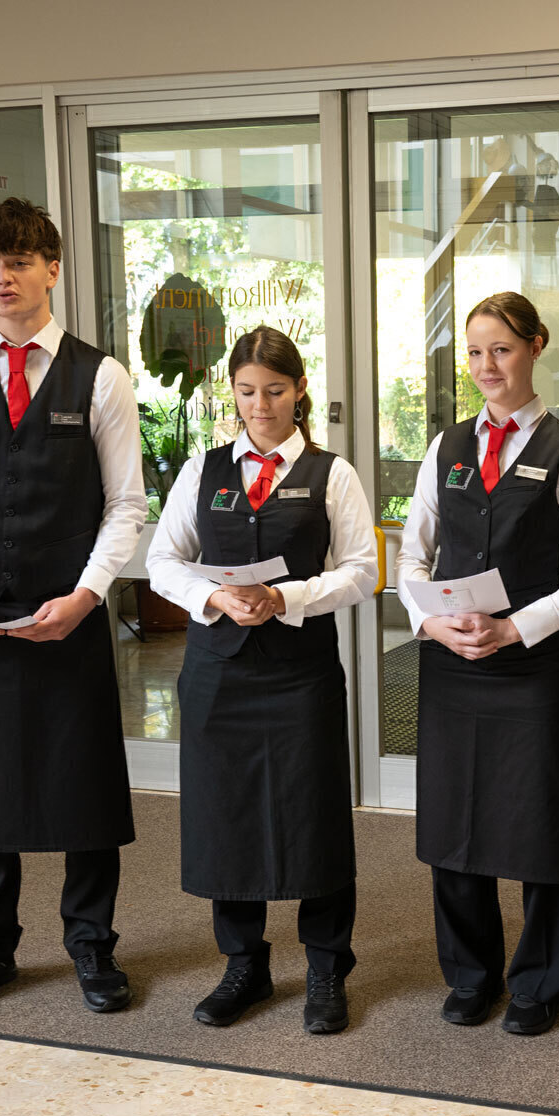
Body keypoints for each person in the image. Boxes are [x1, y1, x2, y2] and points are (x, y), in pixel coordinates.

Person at [0, 197, 147, 1019]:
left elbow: (126, 505)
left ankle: (92, 946)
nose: (2, 278)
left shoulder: (100, 377)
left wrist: (87, 595)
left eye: (17, 262)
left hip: (68, 617)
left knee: (85, 791)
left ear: (52, 269)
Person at [146, 327, 378, 1034]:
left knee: (314, 817)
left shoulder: (332, 473)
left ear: (299, 391)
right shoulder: (204, 469)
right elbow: (163, 561)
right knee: (227, 818)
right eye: (247, 392)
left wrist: (286, 597)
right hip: (218, 674)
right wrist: (215, 596)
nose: (261, 405)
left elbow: (362, 571)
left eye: (275, 391)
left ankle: (327, 967)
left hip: (298, 675)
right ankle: (244, 965)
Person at [399, 290, 559, 1036]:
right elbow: (412, 556)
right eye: (474, 351)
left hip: (531, 666)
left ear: (534, 347)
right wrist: (431, 621)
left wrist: (516, 629)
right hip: (453, 662)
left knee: (540, 824)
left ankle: (539, 983)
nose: (486, 365)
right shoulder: (446, 448)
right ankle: (470, 974)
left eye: (501, 349)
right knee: (452, 820)